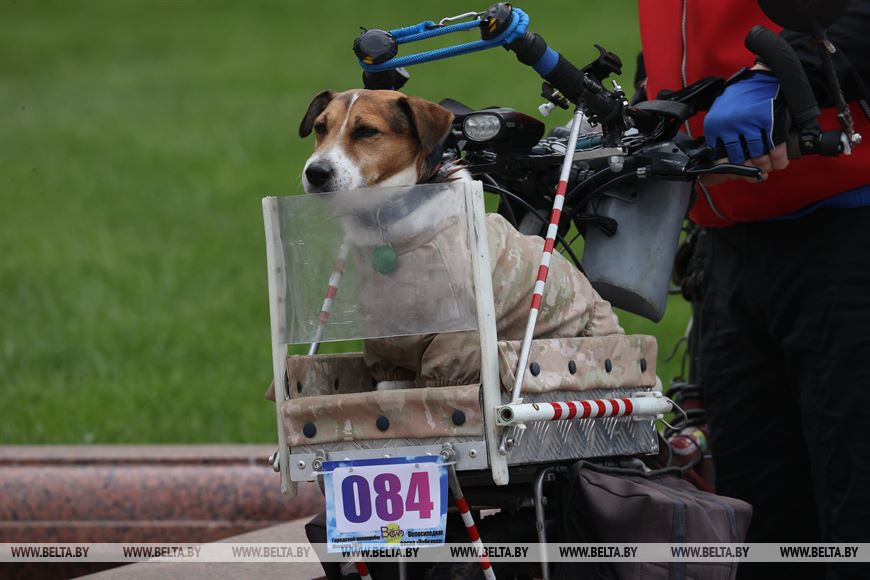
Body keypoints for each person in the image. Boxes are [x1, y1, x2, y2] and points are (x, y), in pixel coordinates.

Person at [637, 1, 870, 578]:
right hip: (731, 246)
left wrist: (782, 73)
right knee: (758, 528)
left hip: (847, 232)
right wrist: (652, 96)